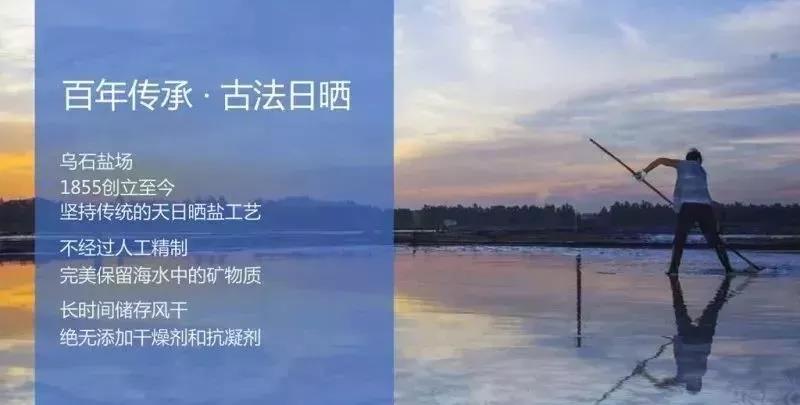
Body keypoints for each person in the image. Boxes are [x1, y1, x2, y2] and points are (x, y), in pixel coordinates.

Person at [635, 148, 734, 274]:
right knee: (714, 240)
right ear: (698, 159)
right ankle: (729, 269)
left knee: (680, 239)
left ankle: (673, 269)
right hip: (705, 207)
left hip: (687, 207)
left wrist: (644, 172)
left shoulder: (682, 164)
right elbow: (705, 196)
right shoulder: (702, 171)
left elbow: (660, 160)